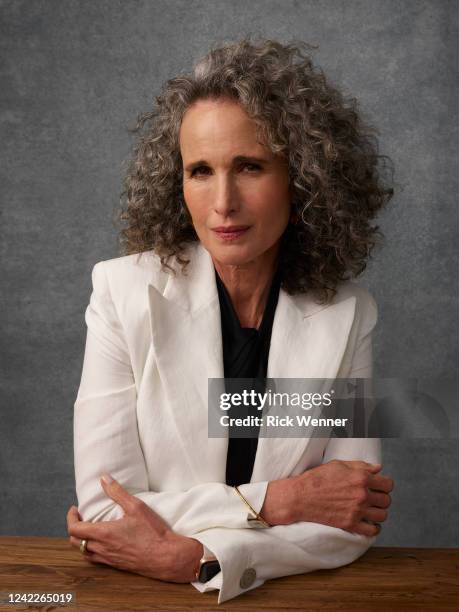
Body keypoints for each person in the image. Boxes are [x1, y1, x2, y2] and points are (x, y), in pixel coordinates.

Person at [67, 37, 395, 604]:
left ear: (303, 178)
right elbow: (105, 509)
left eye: (249, 166)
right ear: (179, 183)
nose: (222, 202)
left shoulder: (349, 313)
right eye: (200, 170)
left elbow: (351, 513)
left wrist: (203, 557)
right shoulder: (121, 293)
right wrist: (281, 502)